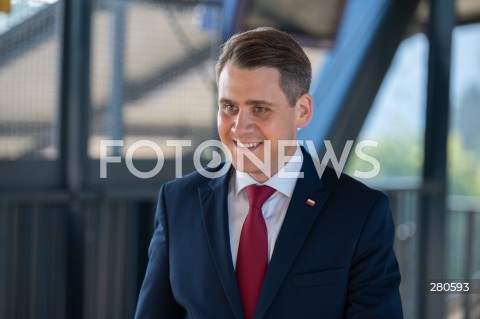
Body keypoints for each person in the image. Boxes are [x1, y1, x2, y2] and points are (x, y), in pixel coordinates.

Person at [135, 27, 403, 318]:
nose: (239, 127)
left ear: (302, 111)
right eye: (229, 107)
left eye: (260, 109)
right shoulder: (178, 202)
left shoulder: (360, 212)